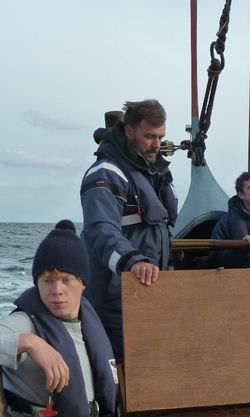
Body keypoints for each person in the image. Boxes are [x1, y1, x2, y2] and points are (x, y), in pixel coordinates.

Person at [80, 99, 178, 362]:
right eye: (149, 136)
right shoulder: (105, 174)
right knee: (122, 375)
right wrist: (133, 261)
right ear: (129, 131)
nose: (156, 144)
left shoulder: (151, 174)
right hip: (114, 300)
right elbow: (101, 231)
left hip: (145, 294)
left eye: (160, 137)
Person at [0, 220, 117, 417]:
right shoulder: (24, 322)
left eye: (66, 280)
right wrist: (28, 342)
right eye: (47, 281)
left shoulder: (90, 319)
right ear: (37, 283)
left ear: (82, 283)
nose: (57, 291)